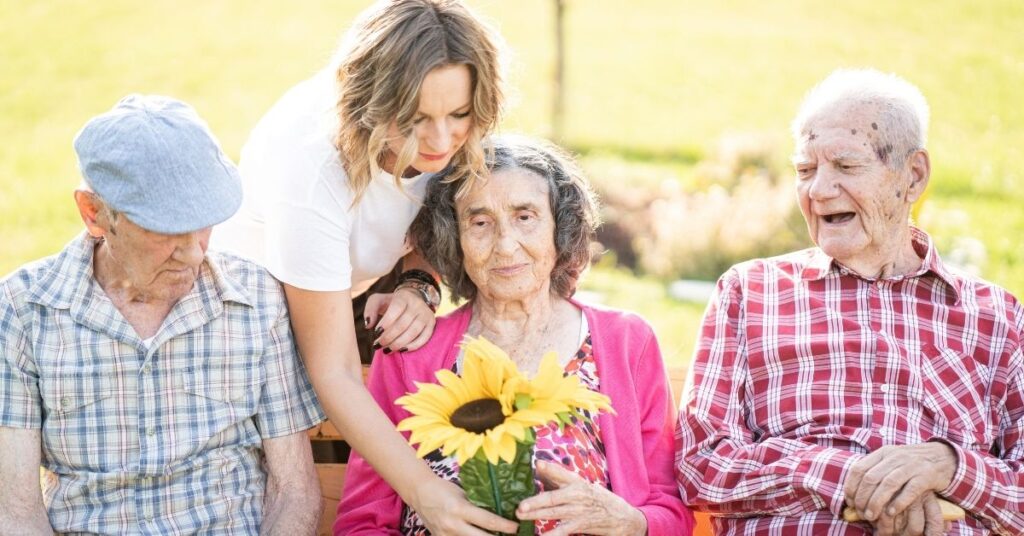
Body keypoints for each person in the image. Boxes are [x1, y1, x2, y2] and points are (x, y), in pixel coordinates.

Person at [675, 68, 1024, 536]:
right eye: (805, 170)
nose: (818, 190)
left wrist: (949, 467)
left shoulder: (997, 316)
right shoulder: (750, 291)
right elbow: (701, 464)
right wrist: (848, 477)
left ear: (913, 176)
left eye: (846, 166)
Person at [211, 1, 514, 532]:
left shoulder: (453, 127)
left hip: (362, 277)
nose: (442, 141)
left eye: (459, 115)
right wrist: (428, 496)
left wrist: (421, 283)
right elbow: (335, 371)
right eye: (418, 120)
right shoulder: (312, 168)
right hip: (263, 310)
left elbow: (434, 213)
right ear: (372, 105)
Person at [336, 136, 693, 535]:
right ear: (454, 238)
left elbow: (671, 513)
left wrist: (628, 522)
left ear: (561, 228)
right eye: (480, 222)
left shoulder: (626, 341)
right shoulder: (410, 349)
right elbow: (361, 522)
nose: (505, 246)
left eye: (525, 217)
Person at [0, 95, 325, 534]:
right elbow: (16, 513)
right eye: (166, 230)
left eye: (204, 224)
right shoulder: (24, 311)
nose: (193, 253)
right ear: (95, 213)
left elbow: (294, 494)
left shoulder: (256, 299)